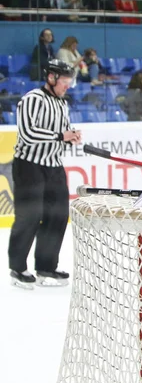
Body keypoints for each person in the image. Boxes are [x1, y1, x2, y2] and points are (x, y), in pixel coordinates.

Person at [8, 59, 82, 289]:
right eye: (65, 81)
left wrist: (71, 138)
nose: (68, 85)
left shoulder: (62, 104)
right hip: (29, 165)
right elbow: (28, 134)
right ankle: (18, 268)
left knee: (58, 215)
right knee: (29, 215)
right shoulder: (32, 99)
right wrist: (62, 136)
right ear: (51, 78)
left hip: (53, 165)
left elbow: (61, 134)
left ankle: (46, 267)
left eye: (70, 81)